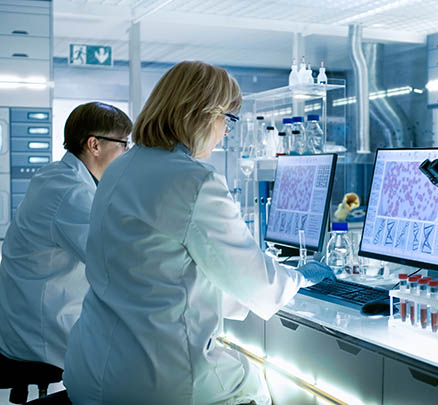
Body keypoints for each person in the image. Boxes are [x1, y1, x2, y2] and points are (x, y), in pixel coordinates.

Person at [63, 61, 335, 405]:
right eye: (228, 120)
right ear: (204, 114)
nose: (225, 132)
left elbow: (160, 269)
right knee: (262, 390)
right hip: (153, 381)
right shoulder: (193, 181)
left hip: (91, 369)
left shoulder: (119, 169)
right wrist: (299, 277)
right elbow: (258, 285)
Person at [0, 102, 132, 369]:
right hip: (41, 332)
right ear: (94, 145)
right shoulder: (70, 192)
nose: (127, 153)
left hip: (24, 318)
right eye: (123, 144)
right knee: (135, 360)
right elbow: (111, 260)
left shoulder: (58, 176)